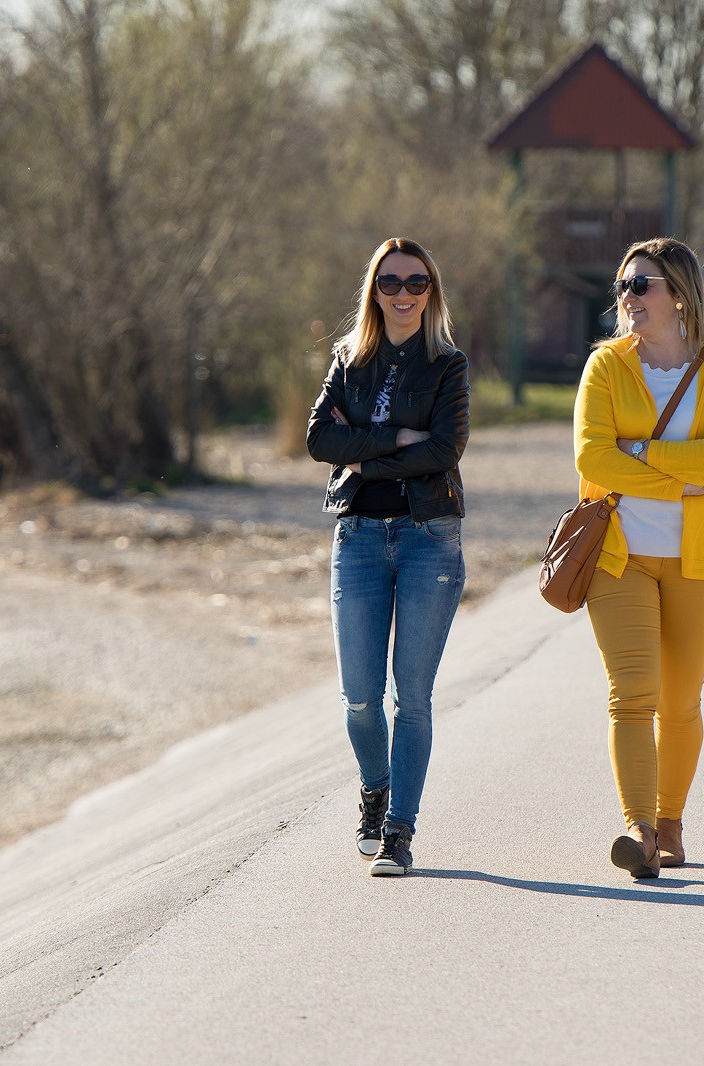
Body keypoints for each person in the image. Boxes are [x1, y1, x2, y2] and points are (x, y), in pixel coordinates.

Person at [573, 237, 704, 879]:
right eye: (622, 285)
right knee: (632, 695)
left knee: (680, 701)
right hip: (616, 556)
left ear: (678, 293)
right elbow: (594, 460)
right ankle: (640, 828)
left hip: (698, 557)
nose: (627, 297)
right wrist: (680, 478)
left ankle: (672, 820)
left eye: (641, 285)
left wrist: (643, 457)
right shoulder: (605, 367)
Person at [306, 237, 470, 877]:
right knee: (359, 699)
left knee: (415, 699)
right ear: (373, 289)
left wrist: (364, 448)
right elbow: (321, 439)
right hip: (359, 540)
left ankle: (399, 830)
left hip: (430, 536)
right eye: (390, 282)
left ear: (432, 291)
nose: (403, 294)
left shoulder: (448, 365)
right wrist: (399, 436)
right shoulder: (348, 360)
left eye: (417, 283)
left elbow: (446, 450)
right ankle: (375, 788)